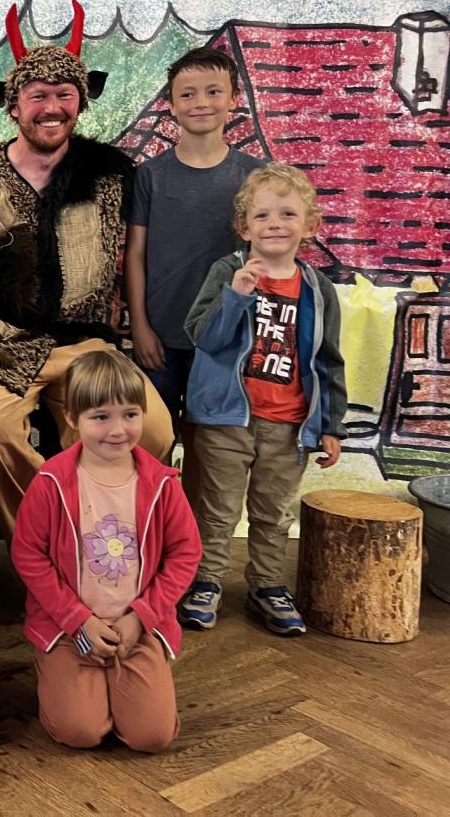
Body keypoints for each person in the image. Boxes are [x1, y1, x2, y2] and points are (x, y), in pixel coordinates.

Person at [0, 3, 174, 542]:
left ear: (81, 102)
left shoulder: (111, 175)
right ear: (14, 104)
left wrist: (137, 324)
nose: (51, 107)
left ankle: (98, 534)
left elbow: (138, 254)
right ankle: (45, 543)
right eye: (37, 95)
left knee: (153, 430)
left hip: (84, 343)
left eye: (64, 94)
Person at [180, 163, 345, 635]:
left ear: (310, 226)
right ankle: (206, 581)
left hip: (289, 424)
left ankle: (268, 585)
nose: (275, 223)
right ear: (244, 226)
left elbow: (328, 360)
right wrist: (236, 296)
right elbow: (204, 337)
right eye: (262, 215)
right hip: (226, 419)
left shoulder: (318, 289)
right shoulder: (228, 271)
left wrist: (330, 425)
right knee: (217, 509)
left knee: (273, 513)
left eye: (288, 214)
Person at [12, 350, 201, 753]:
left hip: (138, 626)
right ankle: (63, 674)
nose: (118, 430)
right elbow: (28, 554)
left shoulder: (163, 484)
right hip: (69, 628)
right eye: (101, 417)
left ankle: (124, 682)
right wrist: (77, 619)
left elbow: (185, 554)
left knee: (152, 736)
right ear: (72, 419)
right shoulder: (50, 483)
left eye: (130, 414)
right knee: (80, 731)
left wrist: (142, 617)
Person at [126, 47, 262, 494]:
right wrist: (140, 326)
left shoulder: (254, 176)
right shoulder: (150, 176)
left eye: (213, 91)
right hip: (160, 340)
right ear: (171, 103)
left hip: (224, 343)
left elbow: (264, 257)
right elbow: (135, 255)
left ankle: (198, 532)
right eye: (187, 94)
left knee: (211, 453)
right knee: (151, 444)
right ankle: (153, 521)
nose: (200, 102)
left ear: (234, 99)